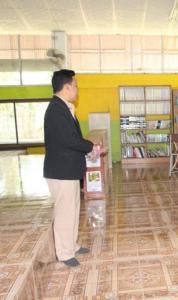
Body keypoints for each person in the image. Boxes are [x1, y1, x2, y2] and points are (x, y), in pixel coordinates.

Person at [44, 69, 100, 267]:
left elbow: (72, 140)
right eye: (75, 86)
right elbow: (69, 140)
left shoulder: (64, 107)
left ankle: (72, 245)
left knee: (74, 209)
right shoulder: (56, 109)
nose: (77, 89)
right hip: (61, 171)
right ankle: (64, 253)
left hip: (69, 170)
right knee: (64, 212)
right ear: (66, 87)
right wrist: (91, 147)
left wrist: (88, 150)